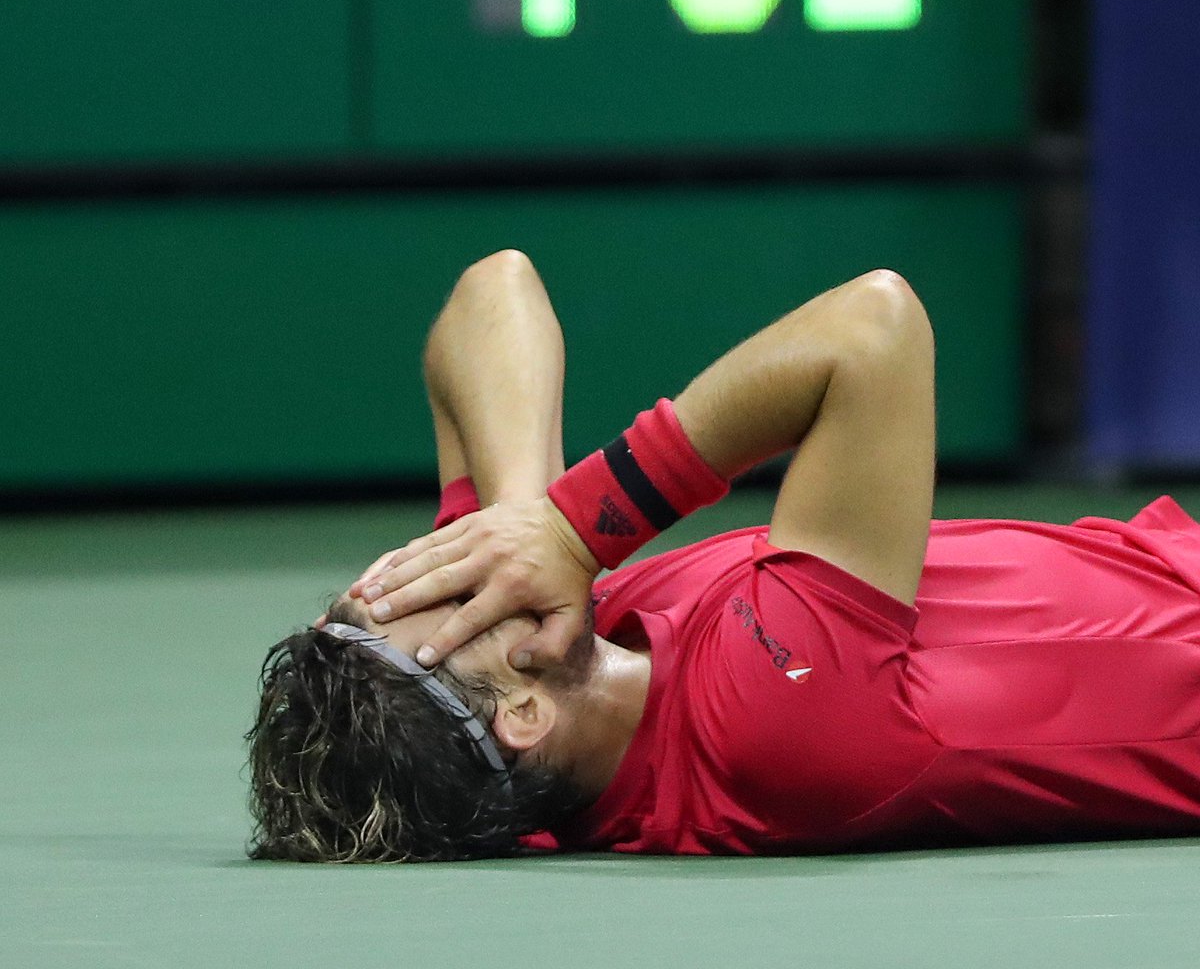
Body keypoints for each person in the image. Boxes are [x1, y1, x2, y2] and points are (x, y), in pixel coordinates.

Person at [246, 250, 1200, 862]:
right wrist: (576, 525)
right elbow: (874, 329)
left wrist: (517, 517)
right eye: (407, 600)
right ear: (523, 710)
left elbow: (491, 293)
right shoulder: (768, 719)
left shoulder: (554, 669)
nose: (417, 566)